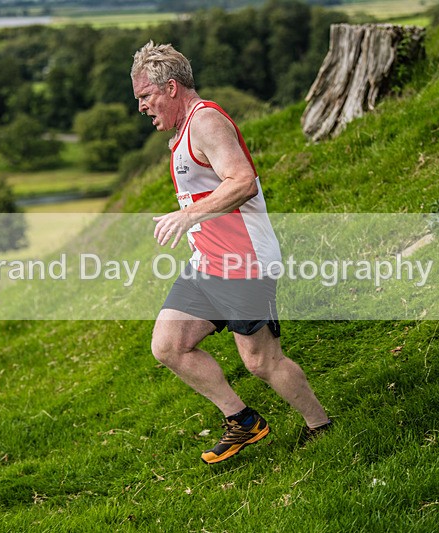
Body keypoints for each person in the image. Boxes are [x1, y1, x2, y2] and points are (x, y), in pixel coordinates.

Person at [131, 41, 331, 464]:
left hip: (244, 261)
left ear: (170, 88)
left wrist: (189, 217)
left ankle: (320, 426)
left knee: (260, 360)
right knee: (168, 344)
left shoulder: (206, 121)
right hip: (208, 262)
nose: (142, 108)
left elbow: (242, 181)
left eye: (145, 97)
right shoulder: (185, 131)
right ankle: (242, 421)